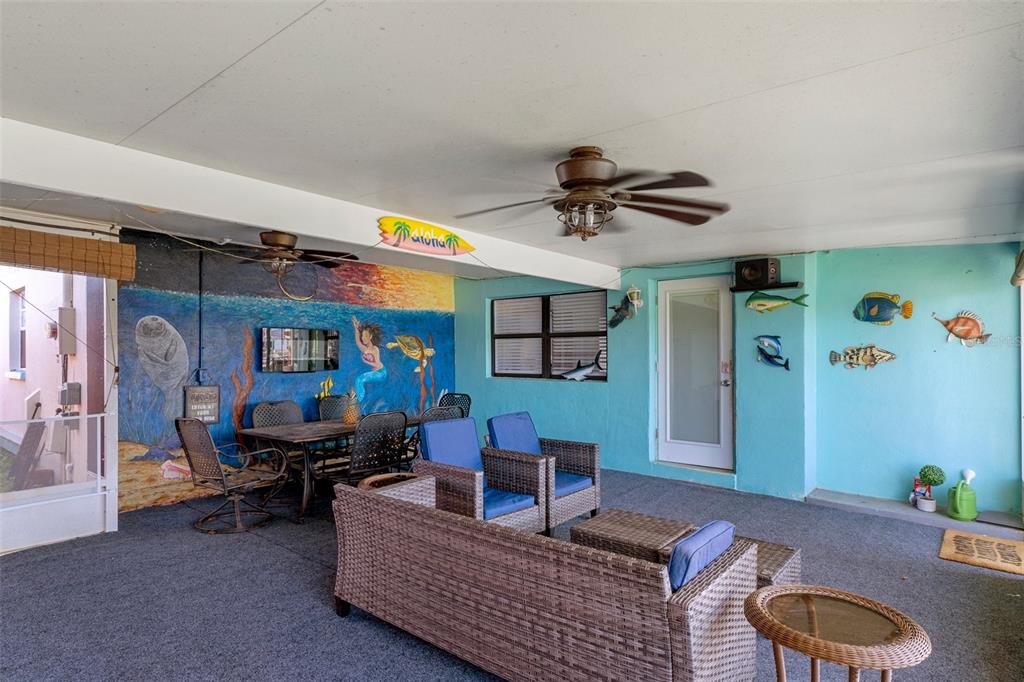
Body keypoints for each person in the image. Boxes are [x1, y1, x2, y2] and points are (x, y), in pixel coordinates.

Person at [352, 315, 387, 403]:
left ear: (370, 337)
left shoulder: (375, 349)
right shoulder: (364, 349)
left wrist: (366, 362)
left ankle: (357, 401)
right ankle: (357, 398)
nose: (363, 338)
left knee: (359, 379)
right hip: (375, 372)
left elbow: (378, 365)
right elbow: (357, 341)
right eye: (362, 336)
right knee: (359, 379)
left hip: (381, 373)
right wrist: (356, 328)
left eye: (365, 336)